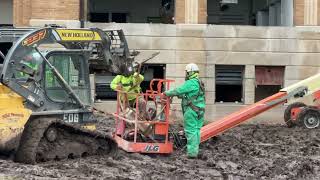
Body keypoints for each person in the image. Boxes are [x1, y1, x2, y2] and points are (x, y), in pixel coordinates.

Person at [164, 63, 205, 158]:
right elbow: (191, 94)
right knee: (196, 131)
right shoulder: (199, 82)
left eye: (186, 72)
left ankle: (192, 154)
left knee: (190, 131)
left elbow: (179, 90)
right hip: (200, 110)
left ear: (190, 73)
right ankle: (195, 151)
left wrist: (166, 93)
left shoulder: (191, 82)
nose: (185, 74)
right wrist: (181, 96)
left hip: (192, 110)